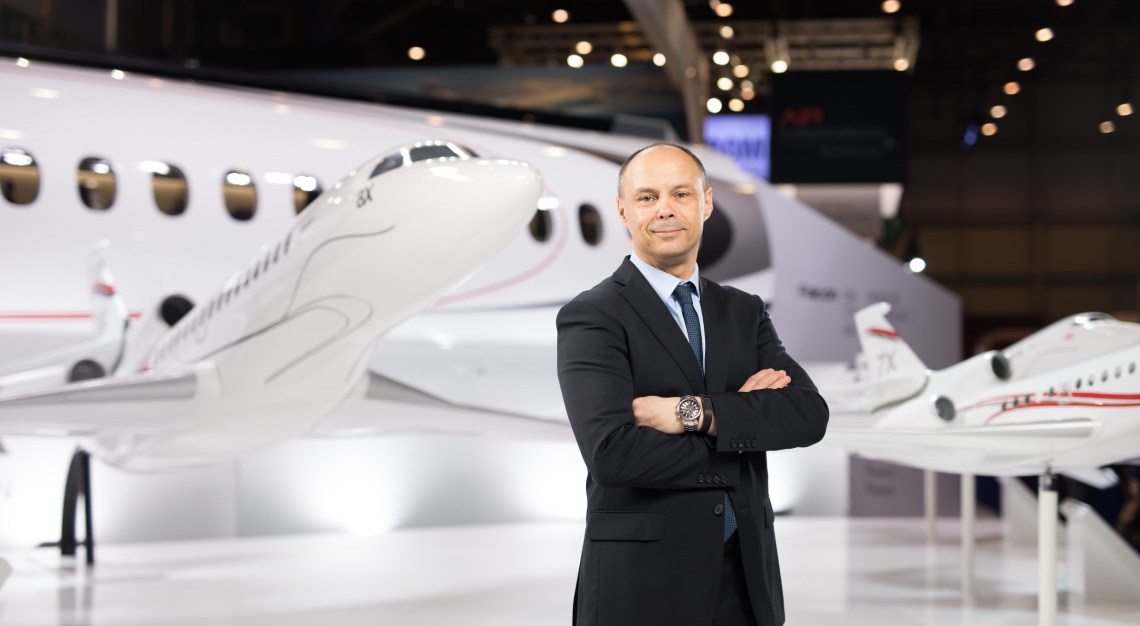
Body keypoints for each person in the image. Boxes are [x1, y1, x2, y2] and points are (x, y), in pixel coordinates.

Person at [556, 143, 829, 626]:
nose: (665, 209)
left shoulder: (743, 311)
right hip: (642, 584)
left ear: (705, 203)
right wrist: (742, 426)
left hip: (746, 581)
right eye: (646, 197)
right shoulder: (592, 316)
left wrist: (692, 413)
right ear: (622, 210)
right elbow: (613, 455)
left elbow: (808, 414)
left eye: (680, 193)